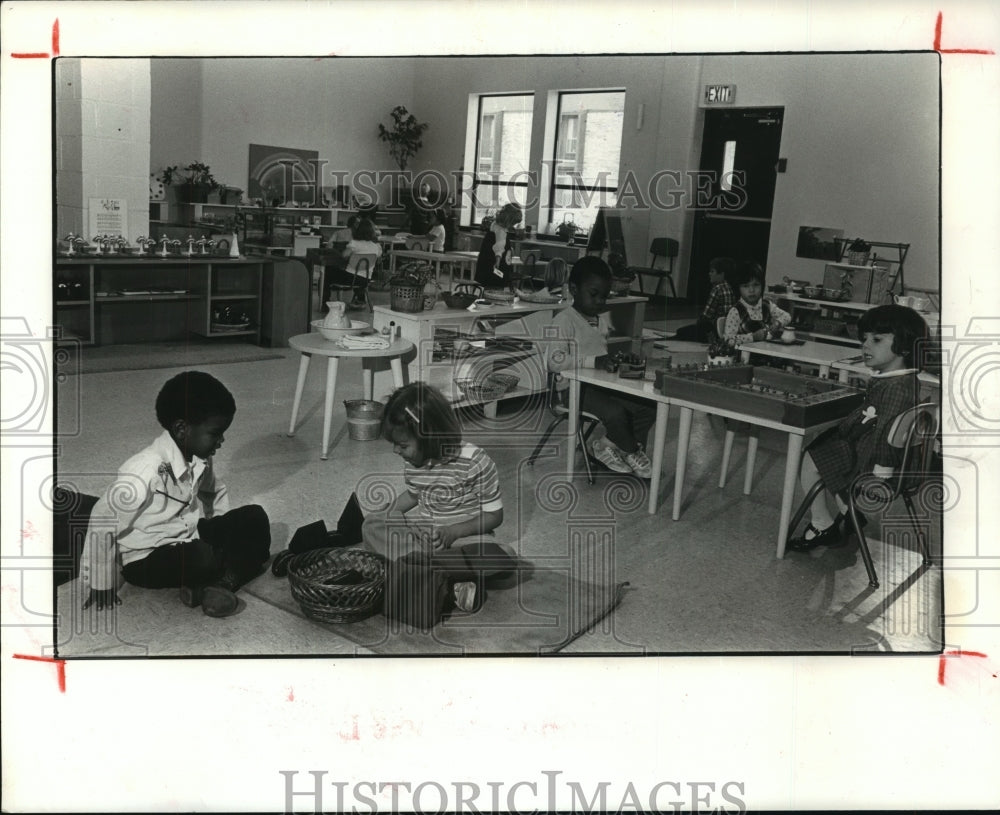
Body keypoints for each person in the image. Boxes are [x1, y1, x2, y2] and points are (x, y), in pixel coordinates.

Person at [80, 371, 270, 617]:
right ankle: (226, 578)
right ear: (182, 429)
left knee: (255, 516)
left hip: (188, 537)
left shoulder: (199, 456)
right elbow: (102, 519)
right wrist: (101, 582)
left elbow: (214, 493)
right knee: (203, 558)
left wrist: (220, 529)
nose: (221, 440)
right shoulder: (146, 468)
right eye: (215, 433)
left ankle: (214, 585)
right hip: (146, 558)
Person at [787, 304, 930, 551]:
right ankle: (848, 510)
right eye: (864, 338)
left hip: (879, 465)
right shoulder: (904, 381)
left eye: (876, 340)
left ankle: (822, 524)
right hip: (893, 460)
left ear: (905, 347)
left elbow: (886, 432)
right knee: (827, 445)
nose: (865, 345)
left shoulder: (896, 389)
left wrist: (882, 471)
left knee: (811, 457)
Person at [361, 382, 513, 612]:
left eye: (402, 445)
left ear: (430, 438)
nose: (396, 451)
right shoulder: (413, 462)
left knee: (504, 554)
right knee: (372, 523)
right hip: (424, 540)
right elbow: (413, 495)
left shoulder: (475, 461)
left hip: (463, 541)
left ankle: (418, 574)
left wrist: (453, 532)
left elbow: (494, 516)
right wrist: (386, 514)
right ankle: (443, 581)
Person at [546, 256, 657, 478]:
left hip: (600, 385)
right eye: (594, 294)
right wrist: (594, 362)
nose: (599, 301)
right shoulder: (563, 320)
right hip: (572, 390)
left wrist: (616, 360)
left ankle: (607, 445)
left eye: (604, 296)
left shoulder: (601, 320)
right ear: (574, 289)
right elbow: (554, 361)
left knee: (648, 406)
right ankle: (631, 450)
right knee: (615, 413)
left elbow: (598, 355)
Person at [722, 260, 791, 344]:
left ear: (762, 285)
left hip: (766, 350)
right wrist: (753, 337)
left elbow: (787, 316)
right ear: (738, 289)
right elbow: (728, 340)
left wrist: (778, 323)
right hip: (744, 352)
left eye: (756, 285)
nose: (751, 290)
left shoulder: (767, 305)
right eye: (746, 286)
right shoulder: (736, 311)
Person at [674, 257, 737, 342]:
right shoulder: (730, 288)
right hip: (728, 329)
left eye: (712, 271)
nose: (709, 274)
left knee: (681, 332)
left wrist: (698, 325)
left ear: (721, 274)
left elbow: (706, 316)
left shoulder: (717, 289)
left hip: (714, 330)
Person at [337, 216, 383, 306]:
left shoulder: (354, 243)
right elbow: (378, 260)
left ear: (358, 230)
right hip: (366, 280)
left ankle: (324, 303)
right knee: (359, 273)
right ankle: (360, 298)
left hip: (350, 279)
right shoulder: (377, 246)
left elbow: (344, 255)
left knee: (328, 273)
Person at [475, 202, 522, 287]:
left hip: (486, 261)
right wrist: (497, 262)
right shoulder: (501, 231)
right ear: (509, 220)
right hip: (497, 263)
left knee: (488, 285)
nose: (513, 226)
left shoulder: (494, 224)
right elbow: (499, 248)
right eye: (513, 223)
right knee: (496, 286)